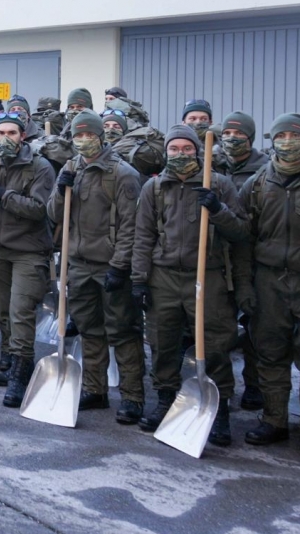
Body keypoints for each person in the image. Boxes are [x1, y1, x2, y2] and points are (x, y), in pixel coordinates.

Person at [131, 125, 248, 447]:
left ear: (197, 150)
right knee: (162, 341)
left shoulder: (218, 184)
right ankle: (166, 400)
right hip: (164, 275)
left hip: (206, 275)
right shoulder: (154, 188)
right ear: (166, 152)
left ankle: (219, 407)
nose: (180, 154)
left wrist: (218, 210)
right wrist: (139, 279)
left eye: (186, 149)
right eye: (174, 149)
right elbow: (143, 237)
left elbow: (240, 233)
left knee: (214, 343)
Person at [237, 114, 300, 460]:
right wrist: (245, 286)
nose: (287, 141)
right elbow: (243, 240)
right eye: (282, 135)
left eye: (294, 135)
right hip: (269, 279)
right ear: (272, 140)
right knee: (270, 351)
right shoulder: (259, 184)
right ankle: (274, 419)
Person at [49, 111, 145, 423]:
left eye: (88, 135)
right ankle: (95, 388)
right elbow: (53, 214)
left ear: (100, 136)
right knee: (90, 329)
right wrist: (63, 189)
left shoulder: (123, 174)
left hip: (109, 265)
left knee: (123, 331)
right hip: (78, 262)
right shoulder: (71, 167)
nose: (83, 141)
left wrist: (120, 266)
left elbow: (132, 226)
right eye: (77, 136)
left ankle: (132, 396)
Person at [0, 113, 55, 407]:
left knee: (21, 311)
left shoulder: (39, 167)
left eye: (12, 133)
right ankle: (9, 359)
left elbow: (38, 208)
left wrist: (2, 194)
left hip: (28, 250)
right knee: (3, 310)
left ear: (23, 136)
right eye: (1, 133)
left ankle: (21, 372)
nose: (6, 138)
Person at [215, 111, 269, 412]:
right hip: (217, 257)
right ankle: (220, 389)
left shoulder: (264, 170)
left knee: (254, 325)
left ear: (250, 138)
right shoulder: (214, 166)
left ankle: (254, 385)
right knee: (221, 326)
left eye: (239, 135)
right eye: (228, 134)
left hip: (250, 254)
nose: (232, 139)